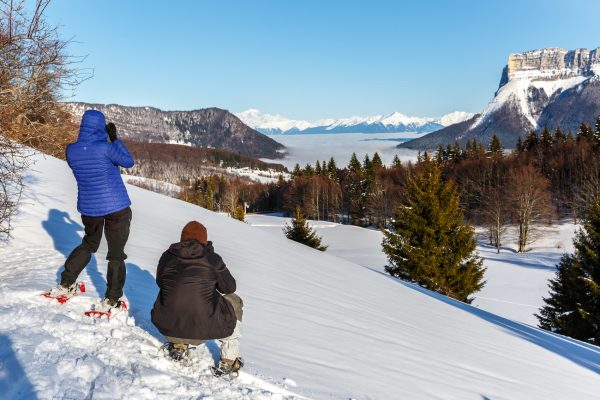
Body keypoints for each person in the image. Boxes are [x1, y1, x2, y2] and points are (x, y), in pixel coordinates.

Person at [49, 109, 134, 312]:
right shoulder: (105, 148)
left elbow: (87, 162)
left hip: (89, 208)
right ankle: (112, 299)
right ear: (100, 127)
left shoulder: (71, 150)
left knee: (88, 245)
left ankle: (66, 283)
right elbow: (128, 162)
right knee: (116, 254)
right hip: (116, 207)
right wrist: (114, 138)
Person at [151, 221, 244, 375]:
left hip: (168, 328)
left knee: (174, 293)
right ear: (204, 240)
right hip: (201, 331)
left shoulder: (168, 255)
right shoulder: (212, 259)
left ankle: (178, 345)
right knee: (235, 300)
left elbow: (161, 282)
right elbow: (229, 288)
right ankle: (228, 360)